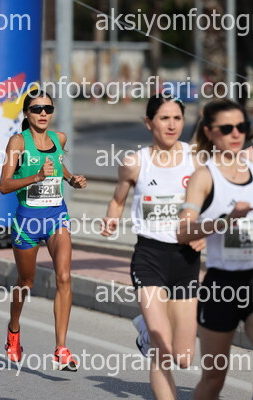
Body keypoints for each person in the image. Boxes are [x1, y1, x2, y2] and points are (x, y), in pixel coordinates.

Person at [176, 100, 253, 399]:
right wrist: (224, 220)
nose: (236, 134)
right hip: (222, 285)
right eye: (226, 128)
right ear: (210, 132)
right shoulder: (204, 176)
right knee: (213, 380)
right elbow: (183, 232)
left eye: (241, 127)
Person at [101, 94, 203, 399]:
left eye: (177, 118)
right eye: (164, 118)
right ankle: (154, 336)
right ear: (149, 123)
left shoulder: (196, 159)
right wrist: (111, 219)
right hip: (150, 257)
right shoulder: (135, 163)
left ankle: (145, 331)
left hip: (186, 260)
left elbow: (213, 201)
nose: (172, 125)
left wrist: (204, 232)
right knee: (163, 348)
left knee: (183, 357)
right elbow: (118, 199)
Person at [0, 89, 86, 371]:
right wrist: (36, 177)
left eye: (48, 108)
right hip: (27, 222)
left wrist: (71, 180)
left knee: (64, 276)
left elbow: (58, 164)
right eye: (36, 109)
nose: (43, 113)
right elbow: (4, 185)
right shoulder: (18, 142)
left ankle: (61, 349)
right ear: (27, 113)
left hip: (56, 216)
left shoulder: (59, 138)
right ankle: (13, 330)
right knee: (26, 282)